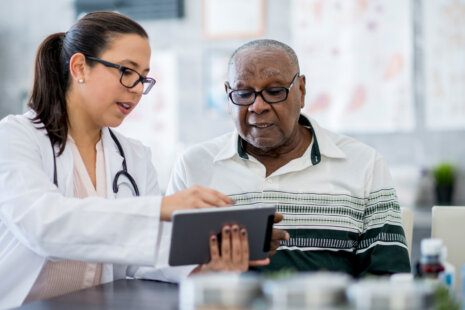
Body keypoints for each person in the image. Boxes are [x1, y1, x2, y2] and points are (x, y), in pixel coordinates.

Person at [0, 12, 255, 308]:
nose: (136, 88)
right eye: (126, 71)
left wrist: (203, 266)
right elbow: (43, 226)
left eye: (143, 77)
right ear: (80, 67)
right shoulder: (14, 137)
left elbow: (142, 256)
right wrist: (159, 208)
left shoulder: (133, 156)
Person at [166, 39, 411, 277]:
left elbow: (388, 277)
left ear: (301, 91)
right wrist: (208, 268)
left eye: (274, 91)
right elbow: (163, 269)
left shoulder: (363, 164)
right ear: (228, 95)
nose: (257, 106)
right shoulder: (194, 165)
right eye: (243, 93)